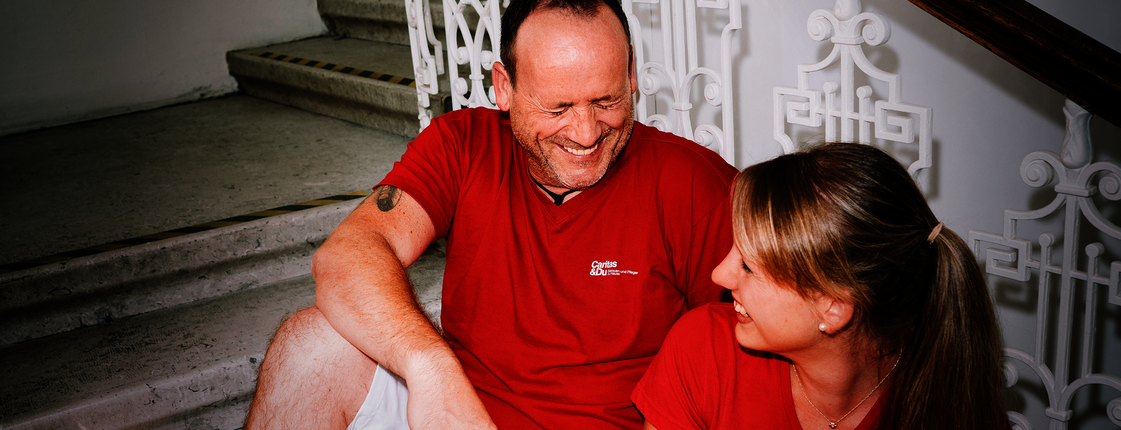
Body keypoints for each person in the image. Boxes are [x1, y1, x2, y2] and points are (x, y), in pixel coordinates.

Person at [243, 0, 738, 428]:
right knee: (309, 342)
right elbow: (347, 255)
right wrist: (430, 369)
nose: (587, 133)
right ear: (504, 87)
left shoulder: (696, 185)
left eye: (607, 100)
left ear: (631, 74)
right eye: (558, 107)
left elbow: (741, 363)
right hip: (454, 414)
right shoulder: (462, 144)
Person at [632, 142, 1008, 430]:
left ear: (833, 307)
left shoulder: (945, 391)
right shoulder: (703, 349)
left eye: (748, 266)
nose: (719, 274)